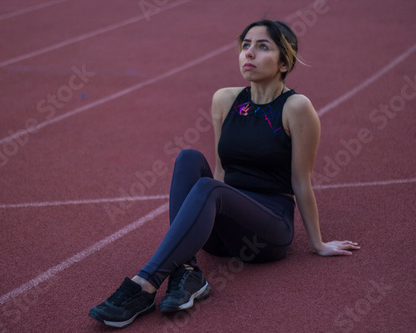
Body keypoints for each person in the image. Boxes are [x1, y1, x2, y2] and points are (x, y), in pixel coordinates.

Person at [88, 19, 360, 328]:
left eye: (262, 47)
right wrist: (202, 221)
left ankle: (144, 286)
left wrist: (318, 243)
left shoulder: (296, 107)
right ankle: (188, 272)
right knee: (189, 158)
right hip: (222, 235)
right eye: (245, 46)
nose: (249, 54)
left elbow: (300, 180)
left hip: (268, 231)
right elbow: (221, 170)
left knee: (210, 189)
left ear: (285, 62)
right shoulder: (225, 99)